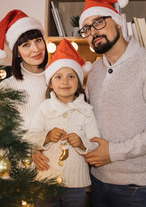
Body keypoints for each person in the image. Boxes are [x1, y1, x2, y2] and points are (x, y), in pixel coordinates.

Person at [78, 0, 146, 207]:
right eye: (86, 28)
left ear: (117, 23)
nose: (92, 32)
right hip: (97, 181)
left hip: (137, 188)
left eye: (98, 22)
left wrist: (114, 152)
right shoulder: (95, 70)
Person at [27, 39, 100, 207]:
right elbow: (31, 136)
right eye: (58, 77)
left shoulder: (86, 110)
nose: (65, 82)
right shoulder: (45, 108)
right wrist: (46, 137)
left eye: (71, 76)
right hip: (47, 180)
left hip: (76, 183)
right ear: (51, 83)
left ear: (79, 82)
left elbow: (96, 142)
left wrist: (82, 144)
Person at [0, 9, 50, 170]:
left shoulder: (58, 81)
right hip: (22, 177)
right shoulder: (7, 87)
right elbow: (1, 137)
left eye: (38, 40)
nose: (36, 49)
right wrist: (29, 149)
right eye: (26, 45)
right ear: (17, 52)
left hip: (59, 174)